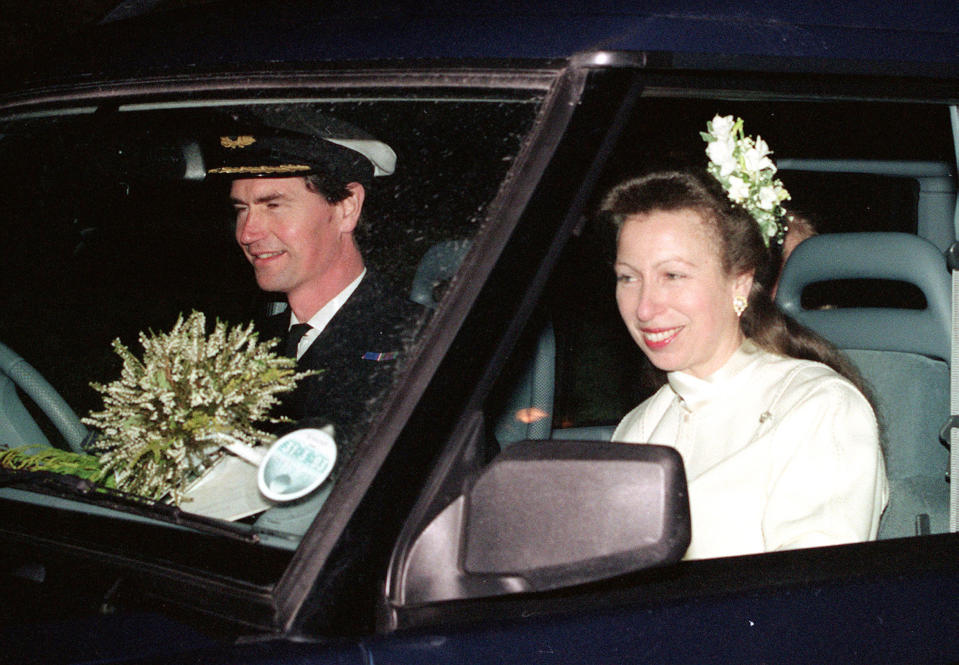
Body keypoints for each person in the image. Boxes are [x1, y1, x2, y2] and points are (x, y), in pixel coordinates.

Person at [601, 167, 888, 560]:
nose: (646, 307)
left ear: (738, 284)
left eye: (673, 275)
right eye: (628, 278)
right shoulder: (639, 427)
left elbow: (810, 604)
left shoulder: (819, 409)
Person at [206, 113, 422, 454]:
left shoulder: (420, 342)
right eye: (241, 209)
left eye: (273, 205)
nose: (247, 233)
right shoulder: (240, 346)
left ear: (347, 208)